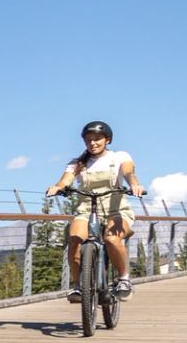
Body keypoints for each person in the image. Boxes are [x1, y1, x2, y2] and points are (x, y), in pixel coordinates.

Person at [46, 120, 144, 300]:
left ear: (108, 140)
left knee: (112, 239)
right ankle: (78, 286)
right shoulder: (78, 163)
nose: (93, 143)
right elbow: (66, 179)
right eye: (88, 140)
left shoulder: (119, 157)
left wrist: (135, 185)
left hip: (116, 209)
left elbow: (129, 172)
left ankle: (124, 279)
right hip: (86, 210)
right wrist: (59, 187)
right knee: (75, 240)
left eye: (97, 139)